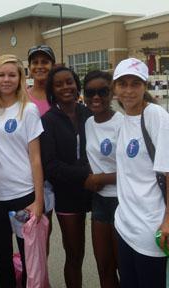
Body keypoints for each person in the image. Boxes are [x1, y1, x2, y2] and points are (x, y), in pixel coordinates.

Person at [0, 54, 44, 287]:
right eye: (1, 75)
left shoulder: (28, 110)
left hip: (23, 196)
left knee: (30, 259)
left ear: (20, 78)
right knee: (2, 258)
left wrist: (39, 200)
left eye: (12, 75)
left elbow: (36, 158)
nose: (6, 79)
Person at [113, 58, 169, 288]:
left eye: (135, 83)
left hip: (151, 230)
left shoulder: (156, 116)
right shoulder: (123, 119)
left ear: (144, 86)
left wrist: (167, 221)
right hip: (125, 226)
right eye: (122, 83)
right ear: (114, 87)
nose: (128, 90)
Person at [40, 66, 92, 288]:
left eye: (69, 81)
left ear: (76, 84)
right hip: (67, 194)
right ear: (52, 89)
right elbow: (51, 166)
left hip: (97, 190)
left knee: (107, 252)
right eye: (58, 84)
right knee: (74, 254)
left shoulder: (88, 113)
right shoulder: (48, 120)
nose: (65, 87)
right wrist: (86, 173)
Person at [83, 70, 122, 288]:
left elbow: (135, 170)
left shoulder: (122, 123)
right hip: (99, 202)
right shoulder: (88, 123)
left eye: (102, 92)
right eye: (90, 92)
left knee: (123, 266)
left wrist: (101, 178)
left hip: (122, 201)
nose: (96, 97)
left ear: (111, 94)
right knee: (104, 267)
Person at [27, 44, 56, 257]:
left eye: (44, 62)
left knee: (46, 227)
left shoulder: (61, 96)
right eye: (35, 62)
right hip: (28, 174)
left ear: (52, 65)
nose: (39, 66)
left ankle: (40, 274)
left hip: (54, 173)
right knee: (28, 229)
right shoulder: (22, 97)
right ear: (29, 67)